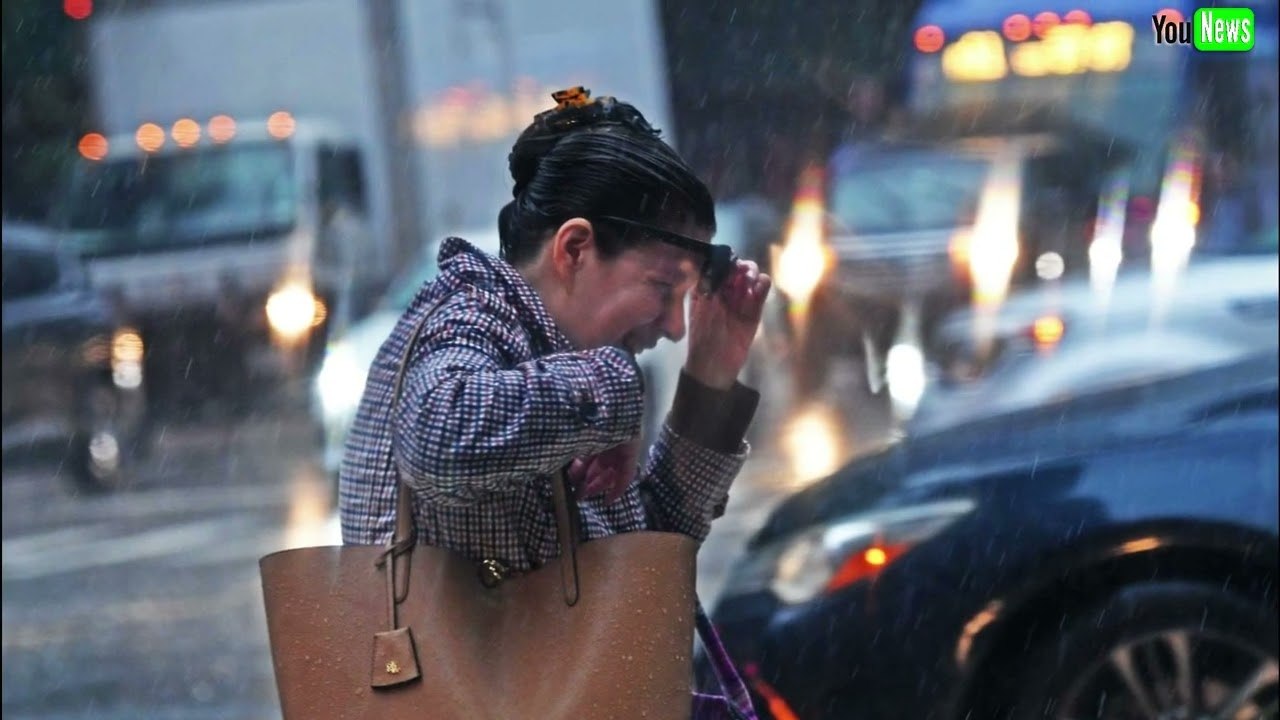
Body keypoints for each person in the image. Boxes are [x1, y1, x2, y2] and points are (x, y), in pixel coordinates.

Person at [339, 87, 772, 588]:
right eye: (662, 287)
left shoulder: (554, 364)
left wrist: (709, 381)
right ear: (574, 250)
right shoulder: (470, 316)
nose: (675, 327)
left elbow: (641, 577)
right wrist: (613, 390)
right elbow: (439, 440)